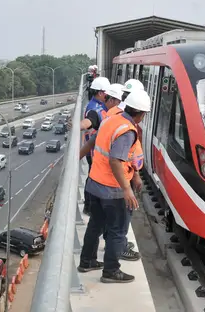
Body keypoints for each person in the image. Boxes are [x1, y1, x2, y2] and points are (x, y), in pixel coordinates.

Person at [78, 89, 151, 284]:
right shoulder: (127, 130)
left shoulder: (110, 119)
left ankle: (87, 261)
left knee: (95, 224)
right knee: (118, 232)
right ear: (142, 114)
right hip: (113, 191)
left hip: (95, 184)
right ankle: (111, 270)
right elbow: (116, 160)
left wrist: (76, 157)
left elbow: (93, 141)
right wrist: (126, 189)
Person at [80, 77, 111, 213]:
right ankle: (89, 206)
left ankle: (91, 205)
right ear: (100, 93)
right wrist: (78, 125)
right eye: (106, 92)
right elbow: (90, 121)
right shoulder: (94, 108)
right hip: (93, 150)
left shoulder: (99, 104)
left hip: (95, 148)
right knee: (93, 178)